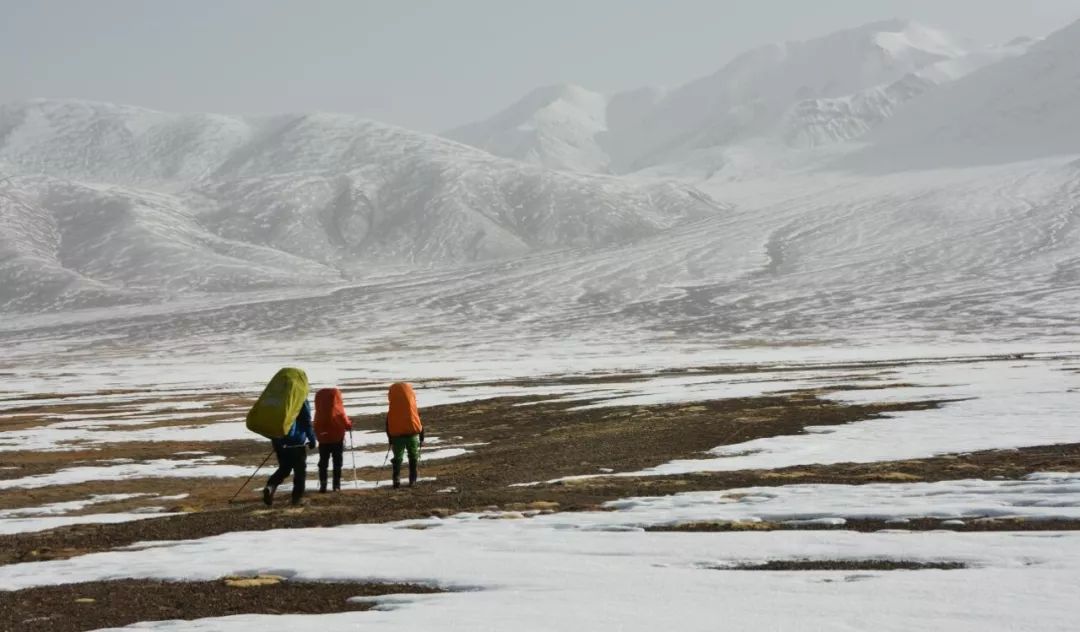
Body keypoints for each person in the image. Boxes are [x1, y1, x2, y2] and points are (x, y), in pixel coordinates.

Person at [262, 398, 315, 506]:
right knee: (299, 471)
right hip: (296, 442)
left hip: (278, 440)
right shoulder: (300, 398)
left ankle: (270, 487)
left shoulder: (279, 397)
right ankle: (297, 499)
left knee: (284, 469)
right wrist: (312, 439)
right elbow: (306, 421)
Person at [314, 387, 353, 492]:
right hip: (337, 438)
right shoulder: (338, 410)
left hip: (323, 439)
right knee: (337, 462)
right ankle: (336, 485)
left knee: (323, 462)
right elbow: (346, 422)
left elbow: (315, 425)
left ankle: (323, 485)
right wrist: (349, 425)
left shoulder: (319, 411)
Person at [385, 382, 424, 488]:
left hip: (397, 436)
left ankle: (396, 480)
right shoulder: (412, 406)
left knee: (398, 458)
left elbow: (388, 423)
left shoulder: (393, 408)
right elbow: (418, 420)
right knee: (413, 456)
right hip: (412, 434)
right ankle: (412, 479)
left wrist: (390, 439)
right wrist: (421, 436)